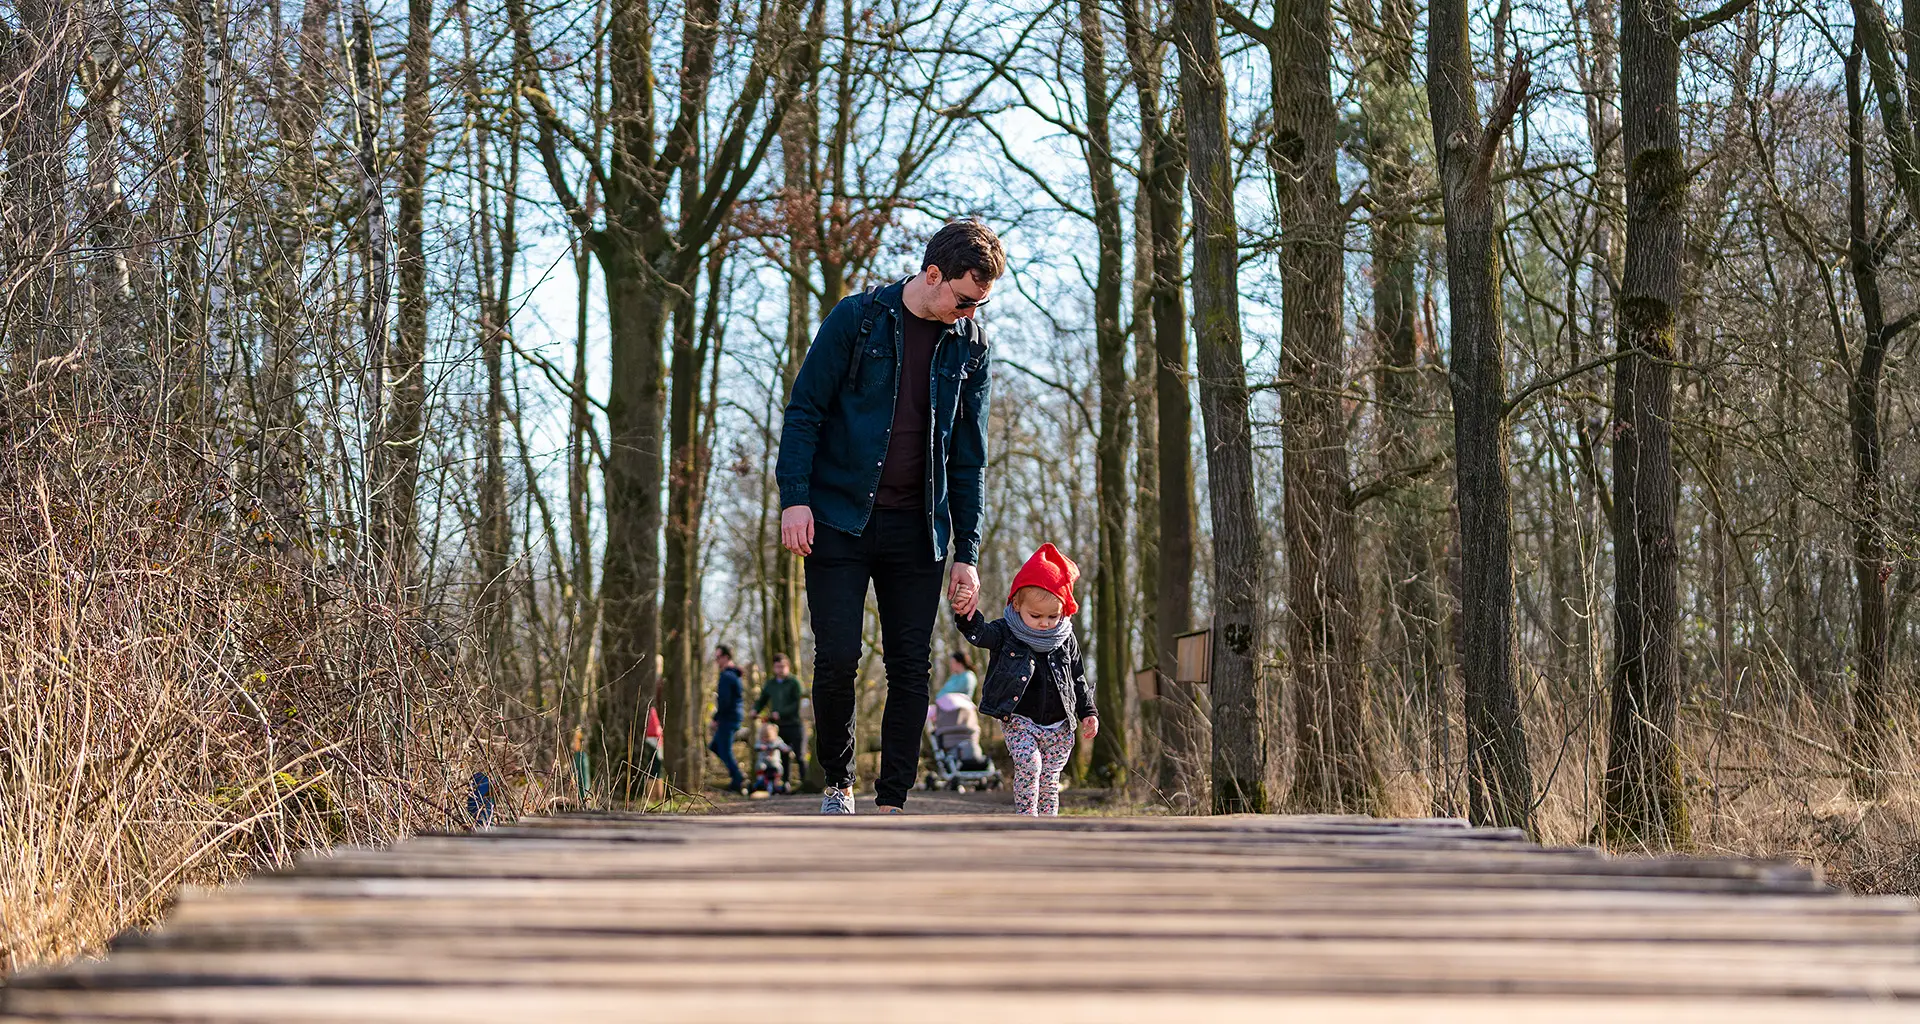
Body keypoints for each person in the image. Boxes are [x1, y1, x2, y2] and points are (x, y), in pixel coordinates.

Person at [777, 220, 1005, 814]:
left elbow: (969, 456)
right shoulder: (857, 319)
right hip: (837, 519)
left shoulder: (971, 346)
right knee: (837, 659)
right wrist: (794, 497)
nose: (969, 312)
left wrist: (968, 553)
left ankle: (893, 802)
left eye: (979, 304)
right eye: (964, 299)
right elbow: (805, 410)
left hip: (918, 528)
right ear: (933, 276)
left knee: (911, 664)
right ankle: (837, 783)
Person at [953, 544, 1098, 817]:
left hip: (1059, 726)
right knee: (1030, 767)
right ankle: (1026, 818)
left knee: (1050, 781)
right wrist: (965, 614)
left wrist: (1088, 712)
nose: (1045, 623)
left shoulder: (1065, 638)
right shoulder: (1006, 631)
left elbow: (1077, 676)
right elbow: (980, 634)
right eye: (1036, 615)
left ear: (1064, 611)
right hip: (1020, 721)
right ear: (1017, 605)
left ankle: (1047, 825)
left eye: (1053, 616)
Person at [754, 653, 808, 786]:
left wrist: (781, 713)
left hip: (795, 724)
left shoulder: (794, 683)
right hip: (779, 726)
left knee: (800, 755)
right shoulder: (771, 684)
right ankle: (785, 784)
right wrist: (756, 710)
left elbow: (798, 703)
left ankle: (805, 783)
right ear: (774, 668)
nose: (780, 670)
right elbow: (762, 699)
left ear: (788, 667)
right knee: (782, 755)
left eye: (783, 666)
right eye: (777, 667)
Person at [707, 645, 746, 793]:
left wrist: (716, 718)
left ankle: (738, 778)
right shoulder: (732, 674)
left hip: (728, 717)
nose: (716, 661)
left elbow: (724, 700)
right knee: (716, 746)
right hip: (733, 716)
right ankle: (737, 776)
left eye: (718, 657)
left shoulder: (727, 676)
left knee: (723, 749)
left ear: (726, 657)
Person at [750, 717, 796, 795]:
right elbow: (756, 746)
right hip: (764, 761)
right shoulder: (760, 742)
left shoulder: (777, 741)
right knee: (760, 766)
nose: (767, 740)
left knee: (778, 768)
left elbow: (783, 746)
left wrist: (787, 749)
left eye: (769, 738)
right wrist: (760, 747)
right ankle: (760, 780)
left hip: (774, 761)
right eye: (765, 738)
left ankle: (776, 782)